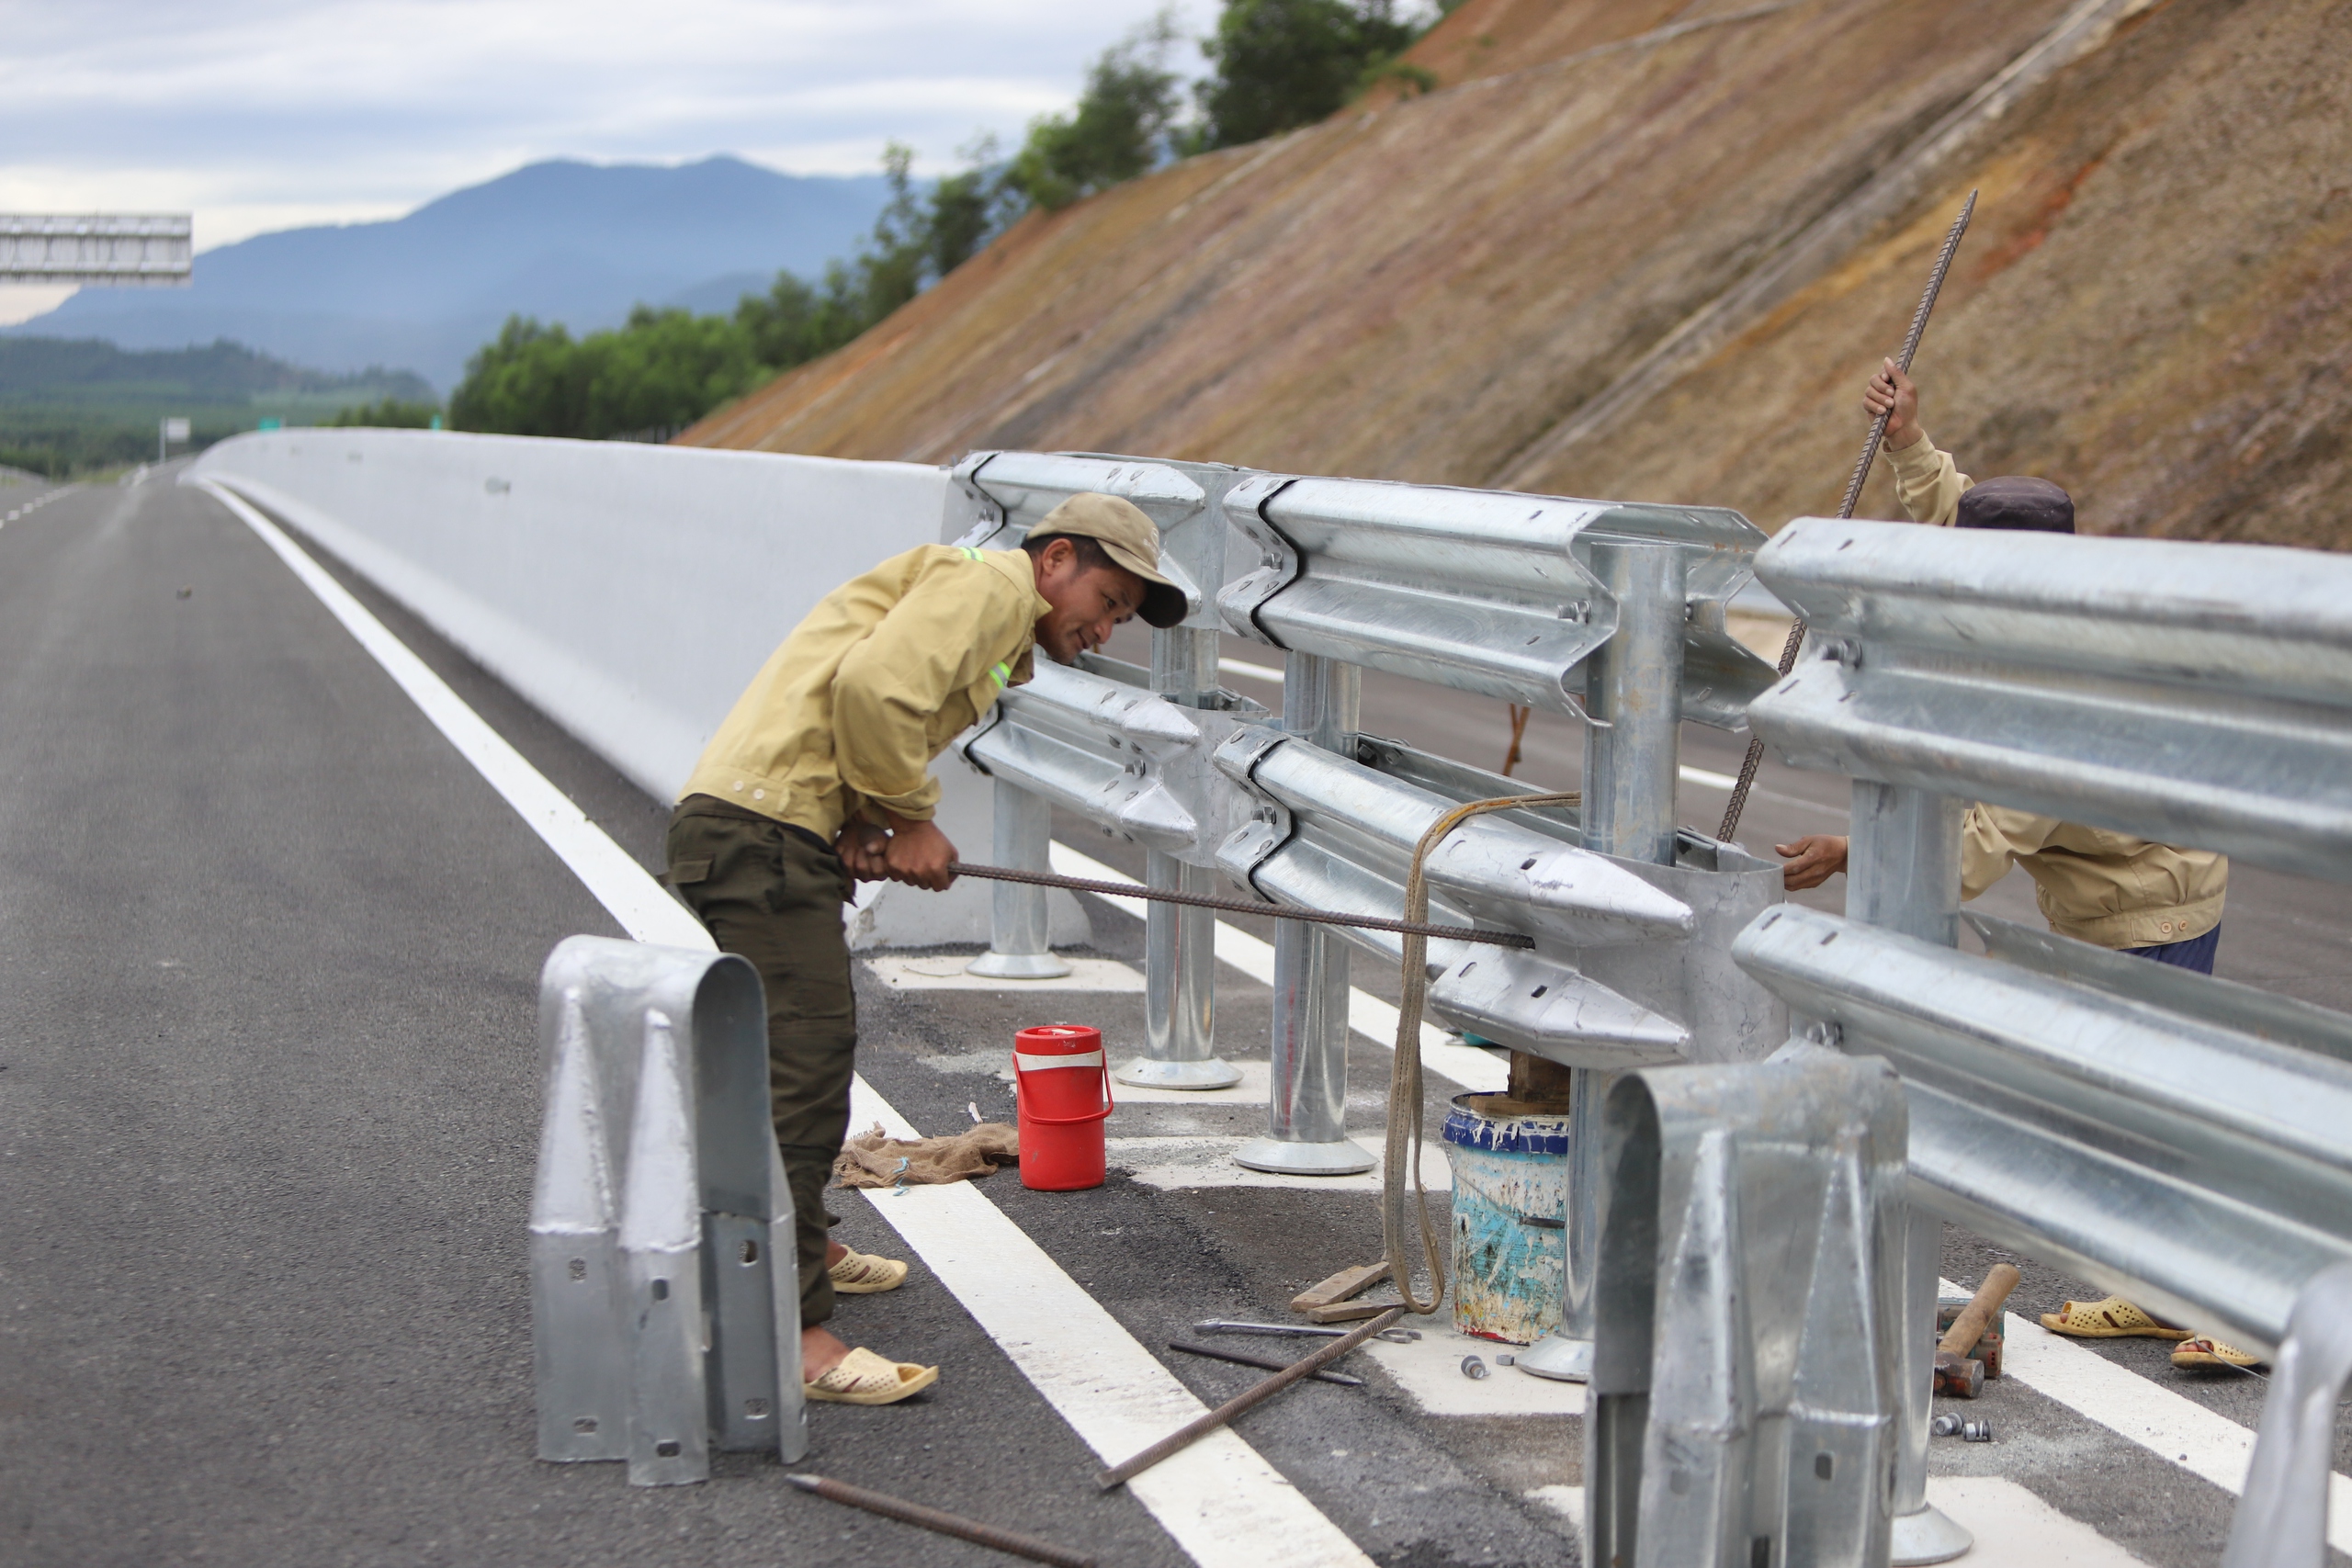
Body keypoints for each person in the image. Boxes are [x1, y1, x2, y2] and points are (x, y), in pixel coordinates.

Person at [1776, 363, 2254, 1371]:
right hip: (2111, 891)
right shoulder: (2032, 595)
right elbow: (1957, 507)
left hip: (2151, 905)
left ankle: (2243, 1307)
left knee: (2160, 1109)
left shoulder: (2057, 689)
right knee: (2120, 1109)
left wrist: (1853, 852)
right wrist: (1907, 442)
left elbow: (1973, 853)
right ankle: (2152, 1286)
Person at [666, 493, 1186, 1404]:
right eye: (1106, 601)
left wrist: (868, 819)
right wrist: (907, 819)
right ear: (1055, 559)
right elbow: (873, 692)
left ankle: (800, 1244)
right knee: (804, 1064)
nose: (1105, 629)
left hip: (766, 824)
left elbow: (858, 700)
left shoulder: (986, 611)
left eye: (1119, 619)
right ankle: (787, 1332)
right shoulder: (993, 588)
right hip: (763, 830)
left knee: (790, 1060)